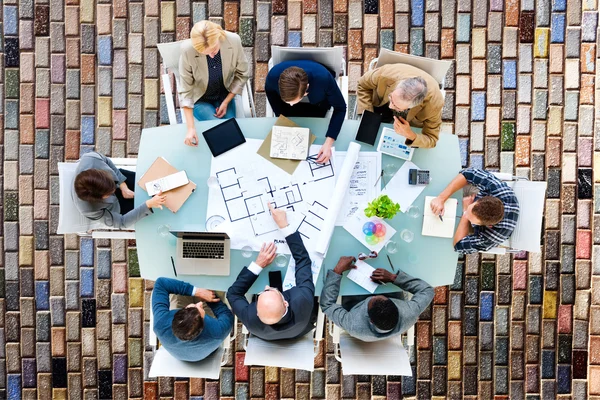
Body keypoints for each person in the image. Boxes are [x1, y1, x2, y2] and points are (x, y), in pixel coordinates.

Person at [227, 203, 317, 340]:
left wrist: (258, 265)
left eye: (263, 292)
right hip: (300, 326)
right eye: (270, 290)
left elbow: (233, 294)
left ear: (257, 313)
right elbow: (303, 260)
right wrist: (284, 227)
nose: (266, 286)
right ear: (286, 302)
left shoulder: (250, 319)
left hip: (274, 333)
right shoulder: (302, 299)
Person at [320, 256, 434, 342]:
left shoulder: (353, 324)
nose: (373, 295)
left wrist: (337, 271)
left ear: (370, 320)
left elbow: (327, 305)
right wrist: (393, 278)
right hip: (388, 284)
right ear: (397, 309)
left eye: (372, 300)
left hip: (355, 299)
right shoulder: (409, 313)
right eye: (380, 297)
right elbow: (427, 291)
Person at [179, 20, 249, 147]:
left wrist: (227, 101)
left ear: (218, 36)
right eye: (206, 53)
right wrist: (190, 128)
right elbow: (186, 91)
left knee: (229, 131)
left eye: (214, 50)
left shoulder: (233, 41)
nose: (211, 56)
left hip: (225, 94)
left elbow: (242, 74)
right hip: (201, 99)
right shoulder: (187, 50)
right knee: (223, 132)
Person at [265, 60, 347, 163]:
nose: (291, 105)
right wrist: (280, 115)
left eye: (294, 101)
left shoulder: (324, 80)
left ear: (307, 88)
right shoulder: (273, 76)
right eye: (288, 101)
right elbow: (270, 92)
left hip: (319, 102)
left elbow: (340, 108)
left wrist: (328, 143)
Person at [430, 168, 520, 254]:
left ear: (489, 226)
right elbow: (468, 173)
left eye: (471, 217)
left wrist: (465, 213)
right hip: (474, 200)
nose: (468, 212)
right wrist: (441, 198)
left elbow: (458, 246)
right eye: (471, 208)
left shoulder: (489, 238)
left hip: (479, 230)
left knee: (442, 234)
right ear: (481, 199)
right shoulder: (497, 189)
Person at [356, 63, 444, 148]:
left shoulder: (434, 104)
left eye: (397, 107)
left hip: (410, 122)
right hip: (380, 104)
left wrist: (410, 135)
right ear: (398, 86)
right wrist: (368, 115)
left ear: (412, 106)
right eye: (391, 97)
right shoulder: (385, 74)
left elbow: (432, 139)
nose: (390, 106)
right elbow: (362, 84)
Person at [73, 151, 166, 229]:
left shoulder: (90, 159)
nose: (114, 189)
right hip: (119, 206)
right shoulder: (89, 210)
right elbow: (122, 223)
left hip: (121, 180)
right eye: (110, 192)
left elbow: (106, 161)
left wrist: (122, 184)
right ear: (101, 198)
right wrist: (148, 204)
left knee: (158, 181)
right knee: (162, 210)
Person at [152, 277, 234, 362]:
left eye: (193, 307)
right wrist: (210, 298)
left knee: (175, 281)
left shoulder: (160, 323)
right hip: (198, 352)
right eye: (199, 308)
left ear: (180, 311)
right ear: (203, 323)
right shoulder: (217, 332)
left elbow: (161, 283)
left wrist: (196, 292)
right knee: (217, 286)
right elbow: (227, 314)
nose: (199, 303)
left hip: (181, 352)